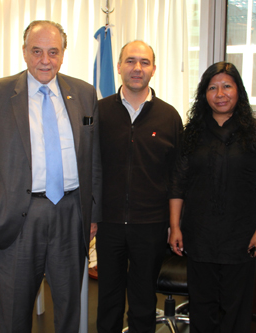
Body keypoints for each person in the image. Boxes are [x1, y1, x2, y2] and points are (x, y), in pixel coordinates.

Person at [0, 20, 102, 333]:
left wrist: (93, 211)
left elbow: (94, 160)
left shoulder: (83, 93)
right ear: (25, 53)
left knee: (70, 307)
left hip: (71, 213)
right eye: (37, 51)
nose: (45, 60)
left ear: (63, 54)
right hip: (18, 216)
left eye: (53, 52)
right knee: (15, 310)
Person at [169, 62, 256, 332]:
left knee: (236, 308)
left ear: (238, 91)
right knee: (202, 306)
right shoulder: (191, 133)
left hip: (241, 235)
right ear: (204, 94)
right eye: (212, 87)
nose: (220, 93)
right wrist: (174, 226)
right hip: (199, 233)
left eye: (227, 86)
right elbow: (177, 184)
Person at [96, 40, 183, 333]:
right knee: (108, 298)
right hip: (107, 223)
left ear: (154, 69)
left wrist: (174, 224)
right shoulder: (99, 113)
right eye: (130, 61)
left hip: (151, 224)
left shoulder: (169, 117)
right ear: (119, 67)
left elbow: (176, 178)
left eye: (144, 62)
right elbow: (89, 168)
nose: (137, 68)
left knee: (144, 299)